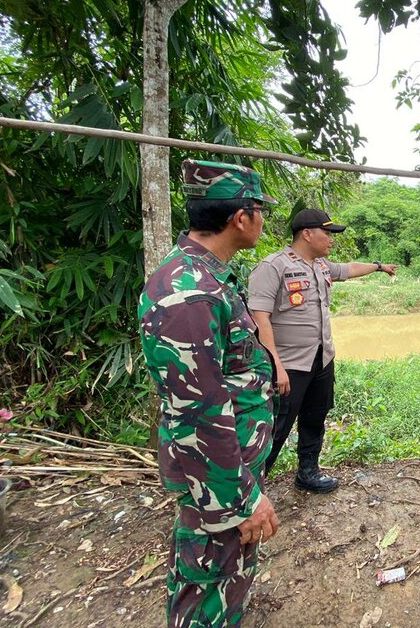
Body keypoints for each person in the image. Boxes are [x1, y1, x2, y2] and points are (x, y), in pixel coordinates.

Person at [138, 159, 280, 627]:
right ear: (242, 218)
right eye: (260, 210)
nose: (263, 219)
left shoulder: (207, 276)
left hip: (227, 470)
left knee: (223, 581)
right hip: (218, 482)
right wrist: (240, 499)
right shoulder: (190, 294)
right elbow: (198, 411)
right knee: (205, 593)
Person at [248, 208, 398, 492]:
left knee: (315, 419)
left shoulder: (321, 266)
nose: (331, 240)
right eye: (327, 233)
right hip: (288, 365)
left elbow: (350, 269)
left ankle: (308, 472)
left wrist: (379, 266)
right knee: (275, 428)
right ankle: (251, 491)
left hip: (321, 359)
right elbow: (260, 317)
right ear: (307, 234)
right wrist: (275, 366)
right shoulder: (273, 267)